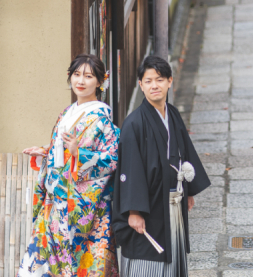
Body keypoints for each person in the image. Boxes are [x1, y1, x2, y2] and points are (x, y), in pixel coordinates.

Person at [18, 53, 120, 277]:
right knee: (43, 262)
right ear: (69, 76)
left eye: (89, 76)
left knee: (84, 264)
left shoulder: (102, 120)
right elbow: (61, 152)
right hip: (55, 202)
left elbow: (113, 158)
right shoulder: (66, 113)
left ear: (100, 81)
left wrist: (79, 154)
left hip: (84, 208)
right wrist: (45, 151)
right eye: (76, 74)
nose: (81, 81)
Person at [112, 55, 211, 276]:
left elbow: (184, 152)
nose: (154, 85)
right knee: (147, 256)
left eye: (159, 79)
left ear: (169, 81)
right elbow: (130, 168)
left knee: (171, 253)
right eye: (148, 81)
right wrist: (133, 211)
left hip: (173, 200)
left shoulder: (173, 114)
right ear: (141, 85)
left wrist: (188, 191)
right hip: (148, 204)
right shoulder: (134, 123)